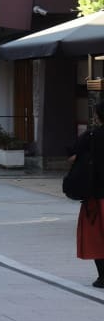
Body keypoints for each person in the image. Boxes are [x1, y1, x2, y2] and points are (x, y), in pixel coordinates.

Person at [72, 100, 104, 289]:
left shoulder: (91, 136)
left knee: (96, 238)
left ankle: (102, 276)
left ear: (97, 116)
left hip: (95, 195)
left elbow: (72, 155)